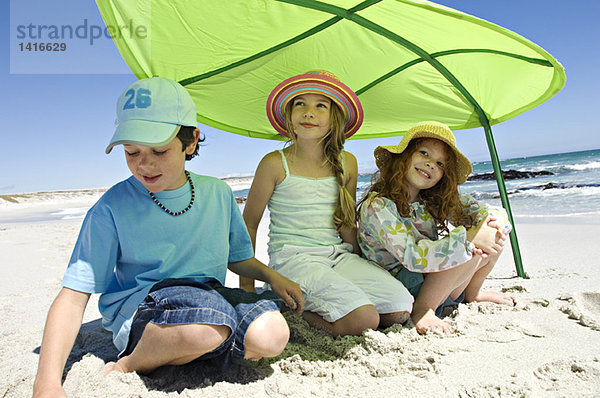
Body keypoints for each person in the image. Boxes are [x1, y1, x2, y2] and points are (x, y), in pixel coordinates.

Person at [33, 77, 304, 397]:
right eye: (131, 152)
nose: (144, 164)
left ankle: (203, 347)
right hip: (148, 309)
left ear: (190, 142)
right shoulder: (111, 208)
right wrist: (47, 383)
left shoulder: (218, 193)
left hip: (212, 299)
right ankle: (131, 363)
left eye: (159, 150)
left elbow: (238, 258)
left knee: (272, 335)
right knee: (206, 328)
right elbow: (73, 296)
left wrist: (274, 277)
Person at [239, 70, 413, 337]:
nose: (309, 112)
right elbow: (249, 224)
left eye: (321, 106)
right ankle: (287, 306)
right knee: (364, 319)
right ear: (289, 116)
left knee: (400, 308)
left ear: (334, 119)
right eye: (301, 104)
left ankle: (327, 299)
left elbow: (345, 223)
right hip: (294, 259)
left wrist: (359, 266)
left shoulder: (348, 162)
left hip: (338, 256)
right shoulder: (274, 163)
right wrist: (247, 288)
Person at [357, 121, 514, 335]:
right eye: (424, 153)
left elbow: (487, 210)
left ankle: (472, 293)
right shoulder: (378, 206)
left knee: (490, 233)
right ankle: (423, 310)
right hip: (402, 283)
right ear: (403, 157)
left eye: (440, 164)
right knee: (469, 244)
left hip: (440, 285)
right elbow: (412, 257)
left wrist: (492, 224)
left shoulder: (431, 200)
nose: (431, 164)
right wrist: (467, 240)